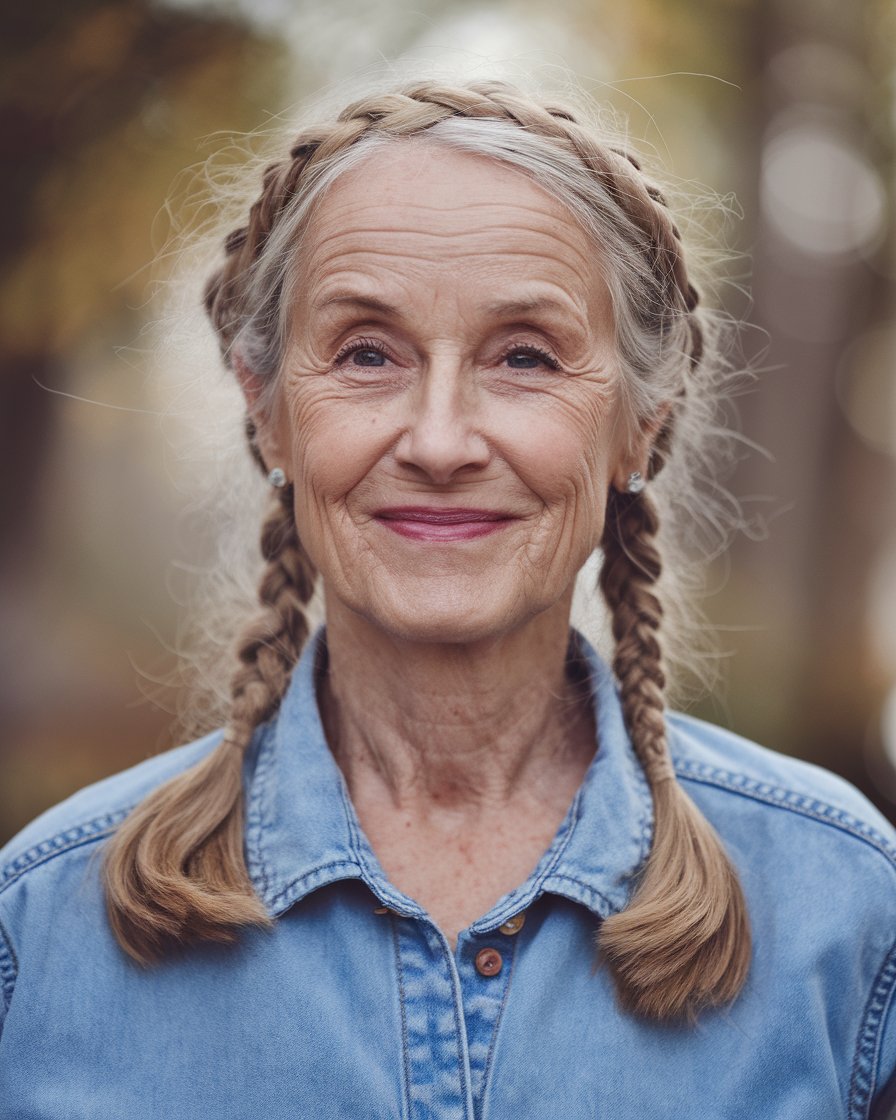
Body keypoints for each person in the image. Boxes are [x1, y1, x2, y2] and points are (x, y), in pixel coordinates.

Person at [1, 77, 894, 1119]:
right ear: (267, 408)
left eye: (523, 356)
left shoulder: (844, 905)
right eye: (366, 353)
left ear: (639, 422)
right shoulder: (45, 921)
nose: (437, 441)